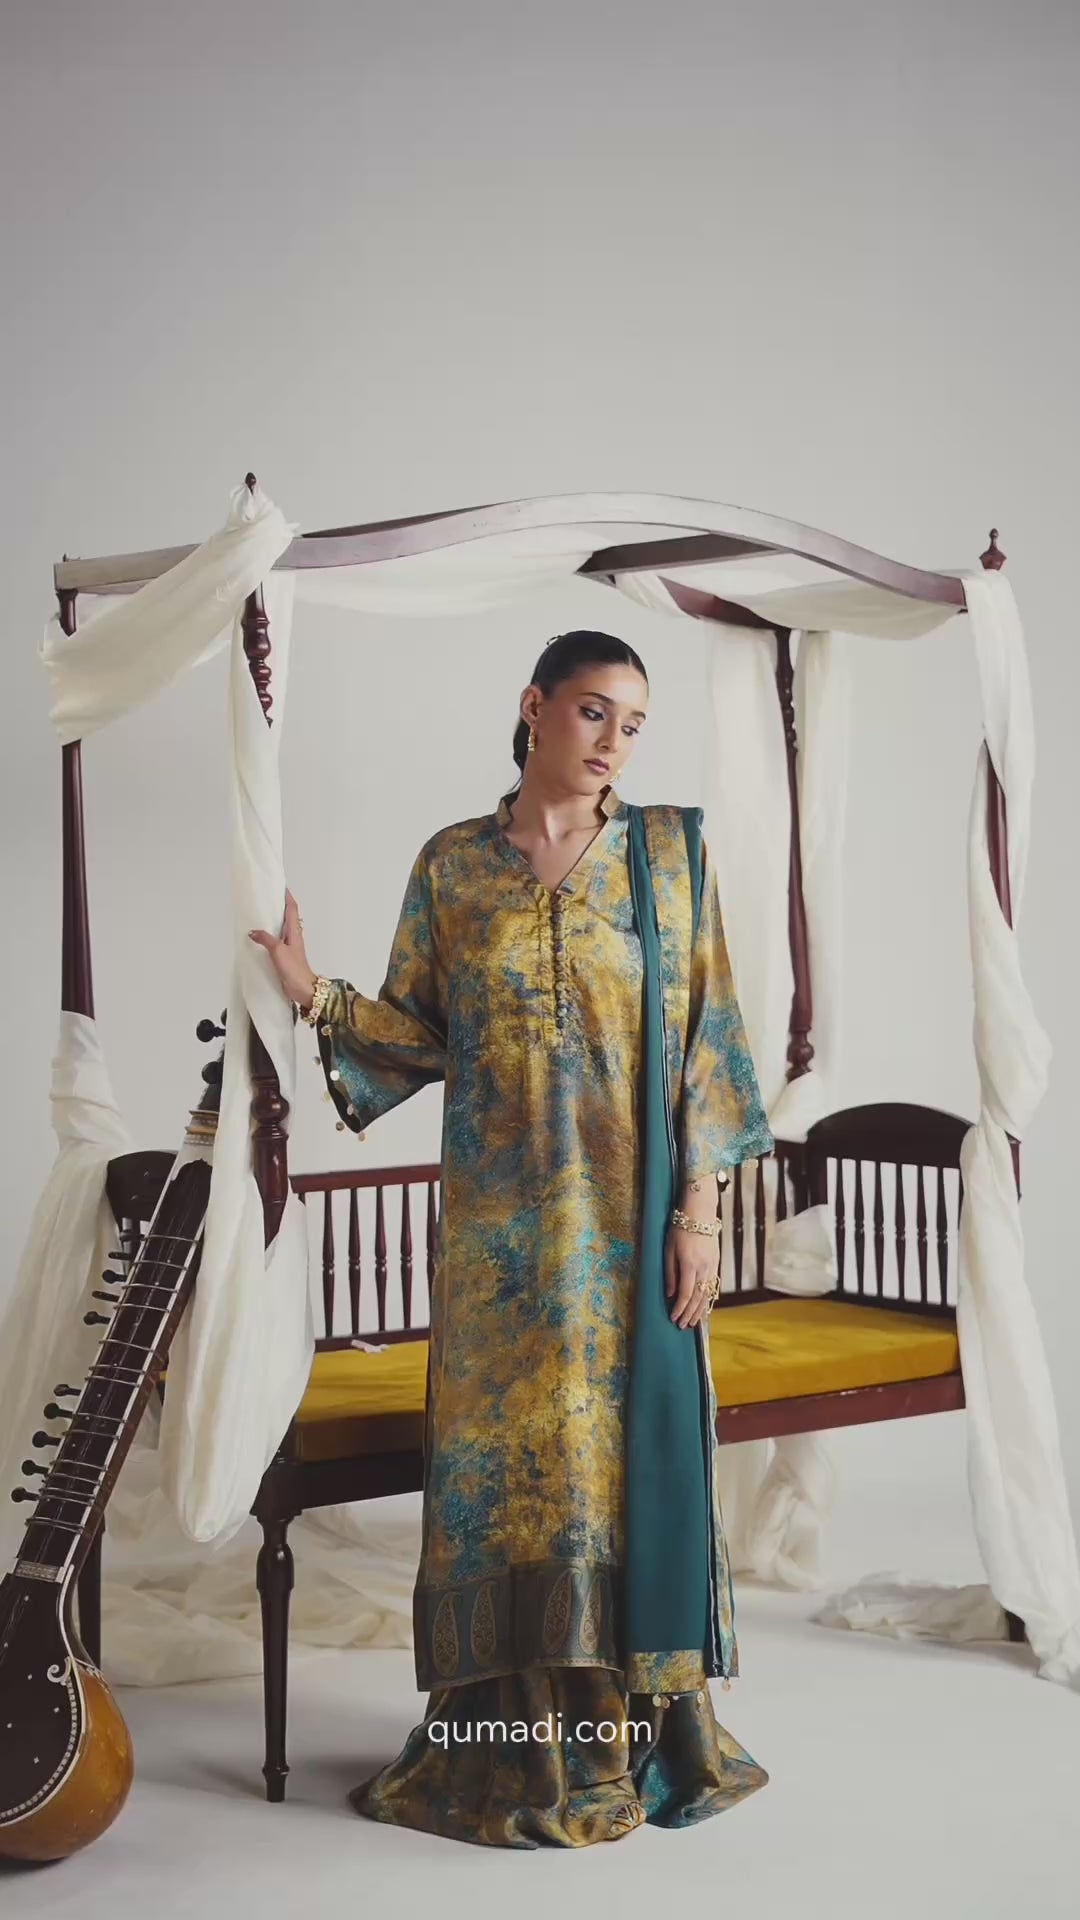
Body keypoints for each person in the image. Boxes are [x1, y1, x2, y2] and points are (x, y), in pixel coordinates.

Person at [248, 629, 775, 1849]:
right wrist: (317, 994)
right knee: (504, 1488)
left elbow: (709, 1040)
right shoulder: (454, 867)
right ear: (535, 707)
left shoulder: (666, 858)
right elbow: (418, 1032)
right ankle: (505, 1739)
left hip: (627, 1238)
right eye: (594, 713)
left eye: (633, 725)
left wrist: (700, 1218)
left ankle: (634, 1734)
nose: (613, 743)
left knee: (612, 1475)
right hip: (495, 1251)